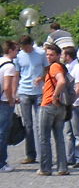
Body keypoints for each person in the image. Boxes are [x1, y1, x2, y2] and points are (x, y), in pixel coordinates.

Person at [37, 43, 69, 176]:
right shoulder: (62, 66)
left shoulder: (55, 66)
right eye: (47, 54)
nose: (49, 57)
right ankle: (62, 167)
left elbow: (61, 81)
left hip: (49, 105)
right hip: (61, 107)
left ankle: (45, 168)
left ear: (57, 55)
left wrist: (54, 96)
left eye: (51, 54)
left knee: (44, 137)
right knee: (59, 137)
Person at [15, 35, 45, 165]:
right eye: (23, 48)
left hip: (38, 92)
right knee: (27, 125)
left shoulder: (41, 53)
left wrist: (42, 78)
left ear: (31, 44)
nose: (25, 50)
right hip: (24, 92)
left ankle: (44, 154)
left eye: (26, 47)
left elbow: (47, 69)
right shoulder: (19, 56)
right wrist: (15, 91)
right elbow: (17, 74)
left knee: (40, 124)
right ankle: (30, 155)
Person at [63, 45, 79, 169]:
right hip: (69, 103)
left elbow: (78, 89)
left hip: (76, 104)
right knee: (68, 132)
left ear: (68, 56)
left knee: (77, 132)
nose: (62, 57)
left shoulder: (78, 69)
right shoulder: (68, 67)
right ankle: (70, 157)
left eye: (63, 54)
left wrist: (70, 101)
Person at [0, 40, 18, 173]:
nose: (18, 52)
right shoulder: (10, 66)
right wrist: (11, 99)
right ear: (10, 50)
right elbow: (7, 86)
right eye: (16, 50)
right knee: (3, 132)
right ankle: (1, 162)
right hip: (4, 102)